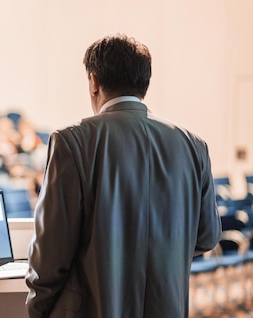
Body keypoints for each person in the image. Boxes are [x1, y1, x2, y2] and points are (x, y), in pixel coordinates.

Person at [25, 34, 221, 318]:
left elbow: (51, 254)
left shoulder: (72, 142)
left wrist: (37, 307)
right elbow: (207, 236)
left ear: (94, 81)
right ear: (144, 82)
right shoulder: (193, 145)